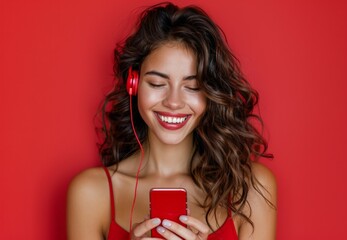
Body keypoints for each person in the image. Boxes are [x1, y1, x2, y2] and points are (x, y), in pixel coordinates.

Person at [67, 2, 277, 240]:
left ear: (210, 93)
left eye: (193, 86)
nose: (174, 102)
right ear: (133, 84)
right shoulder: (91, 193)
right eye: (157, 84)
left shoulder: (251, 187)